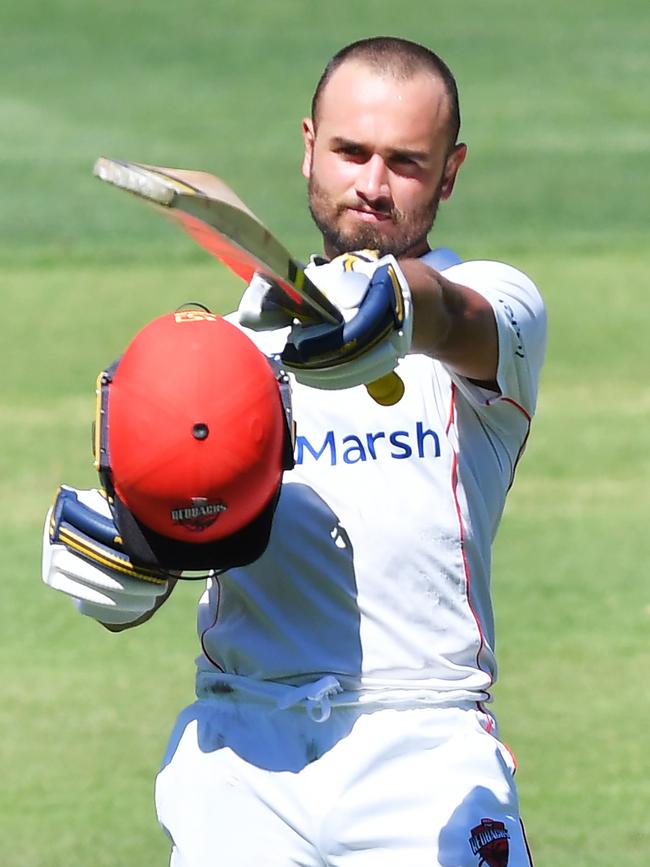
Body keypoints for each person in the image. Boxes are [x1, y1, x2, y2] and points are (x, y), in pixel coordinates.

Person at [43, 36, 546, 867]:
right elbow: (184, 516)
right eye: (351, 152)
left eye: (406, 163)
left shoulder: (502, 304)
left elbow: (449, 314)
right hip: (245, 756)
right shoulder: (229, 349)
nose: (372, 185)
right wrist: (131, 555)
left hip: (421, 747)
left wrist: (393, 308)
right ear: (309, 145)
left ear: (450, 172)